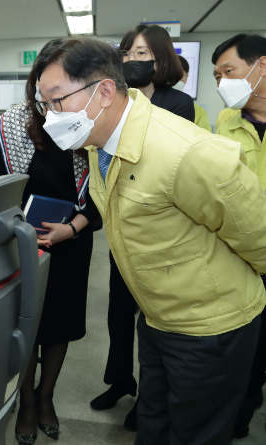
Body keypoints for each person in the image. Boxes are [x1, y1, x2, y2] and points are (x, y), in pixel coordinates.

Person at [37, 36, 266, 445]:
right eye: (45, 105)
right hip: (158, 317)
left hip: (211, 328)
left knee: (195, 433)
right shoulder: (99, 141)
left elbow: (259, 237)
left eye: (57, 101)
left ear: (104, 92)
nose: (50, 116)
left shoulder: (189, 153)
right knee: (154, 424)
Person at [0, 48, 102, 444]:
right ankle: (26, 402)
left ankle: (46, 396)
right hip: (21, 245)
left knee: (59, 327)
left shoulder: (91, 124)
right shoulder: (12, 124)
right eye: (45, 84)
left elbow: (105, 195)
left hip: (71, 243)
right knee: (27, 327)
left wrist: (71, 229)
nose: (51, 96)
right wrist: (17, 227)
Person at [90, 24, 197, 431]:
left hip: (160, 231)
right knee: (118, 314)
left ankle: (150, 399)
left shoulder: (178, 103)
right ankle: (120, 380)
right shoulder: (119, 104)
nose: (134, 61)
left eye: (142, 54)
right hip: (123, 232)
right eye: (128, 54)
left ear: (161, 58)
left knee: (151, 320)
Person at [212, 33, 266, 438]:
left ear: (260, 65)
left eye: (228, 71)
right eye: (216, 75)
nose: (221, 83)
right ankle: (239, 417)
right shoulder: (226, 122)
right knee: (244, 348)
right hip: (239, 254)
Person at [178, 55, 212, 132]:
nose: (175, 80)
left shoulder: (198, 111)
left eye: (179, 75)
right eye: (171, 75)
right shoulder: (150, 105)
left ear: (186, 77)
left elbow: (205, 139)